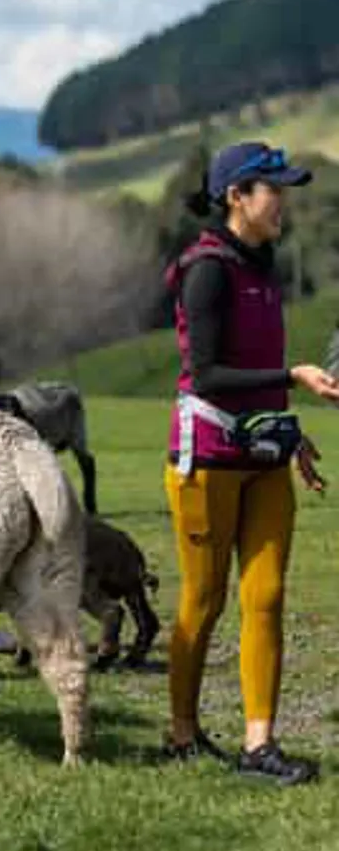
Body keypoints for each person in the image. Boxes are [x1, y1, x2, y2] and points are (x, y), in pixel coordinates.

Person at [163, 140, 339, 784]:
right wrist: (292, 377)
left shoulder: (262, 264)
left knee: (265, 597)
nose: (283, 200)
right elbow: (206, 375)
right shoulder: (206, 269)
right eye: (274, 190)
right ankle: (181, 736)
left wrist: (291, 432)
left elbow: (256, 375)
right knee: (203, 601)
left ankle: (258, 745)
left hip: (265, 457)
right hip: (205, 457)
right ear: (237, 196)